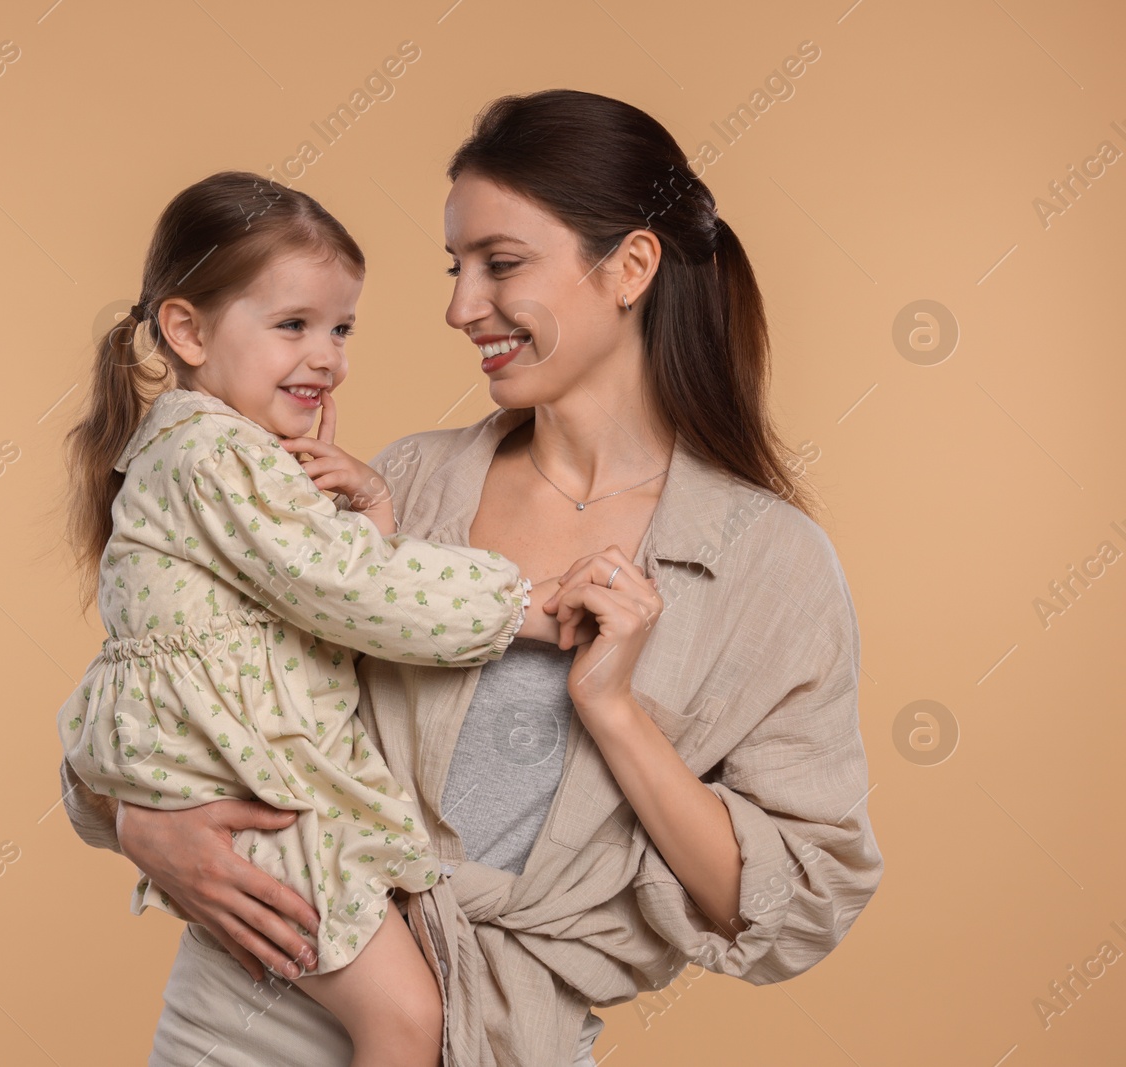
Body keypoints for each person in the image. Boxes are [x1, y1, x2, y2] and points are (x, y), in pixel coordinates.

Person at [62, 90, 884, 1067]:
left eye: (501, 264)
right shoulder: (401, 481)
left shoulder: (767, 562)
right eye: (456, 268)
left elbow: (795, 901)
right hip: (245, 1011)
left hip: (507, 1036)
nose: (458, 307)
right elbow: (171, 677)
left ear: (629, 267)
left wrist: (614, 711)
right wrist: (145, 828)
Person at [56, 170, 600, 1067]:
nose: (328, 357)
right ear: (186, 330)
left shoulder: (201, 450)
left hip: (241, 789)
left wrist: (369, 518)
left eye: (341, 327)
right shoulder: (215, 453)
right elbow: (351, 592)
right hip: (264, 807)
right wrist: (530, 606)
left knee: (407, 1009)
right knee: (405, 1020)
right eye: (293, 326)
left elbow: (326, 606)